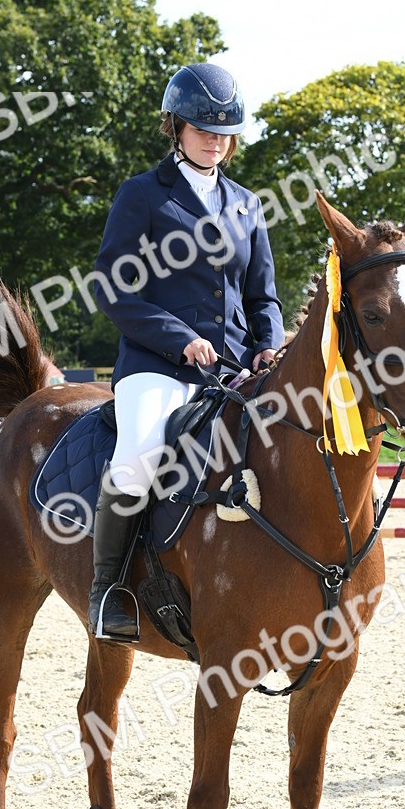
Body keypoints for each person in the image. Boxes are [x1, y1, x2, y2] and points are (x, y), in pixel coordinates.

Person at [89, 62, 285, 639]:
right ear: (175, 127)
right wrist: (181, 339)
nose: (216, 143)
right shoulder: (143, 195)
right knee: (139, 455)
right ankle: (110, 591)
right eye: (205, 131)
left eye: (225, 133)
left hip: (229, 370)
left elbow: (264, 297)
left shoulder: (247, 205)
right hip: (157, 366)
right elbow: (113, 286)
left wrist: (267, 347)